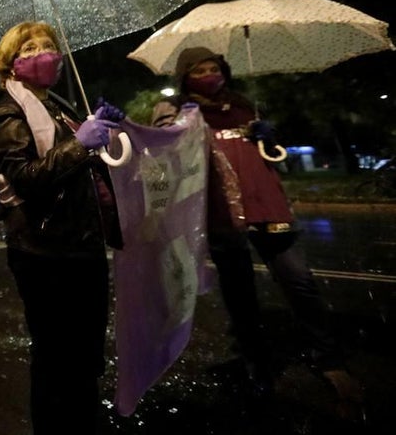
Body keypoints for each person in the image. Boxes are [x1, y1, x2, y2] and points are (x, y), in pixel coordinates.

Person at [150, 46, 364, 416]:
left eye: (213, 67)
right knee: (241, 294)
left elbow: (268, 150)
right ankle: (256, 362)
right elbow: (161, 150)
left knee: (299, 281)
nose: (208, 74)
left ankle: (327, 356)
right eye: (198, 70)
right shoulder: (176, 110)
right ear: (184, 77)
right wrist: (178, 129)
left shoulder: (244, 104)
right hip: (219, 214)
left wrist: (268, 133)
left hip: (267, 206)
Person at [0, 20, 125, 435]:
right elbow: (26, 178)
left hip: (82, 245)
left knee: (85, 358)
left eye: (49, 44)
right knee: (57, 360)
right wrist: (80, 143)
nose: (45, 52)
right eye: (31, 47)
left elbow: (82, 172)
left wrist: (97, 129)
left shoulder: (59, 109)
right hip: (45, 252)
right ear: (11, 64)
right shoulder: (8, 114)